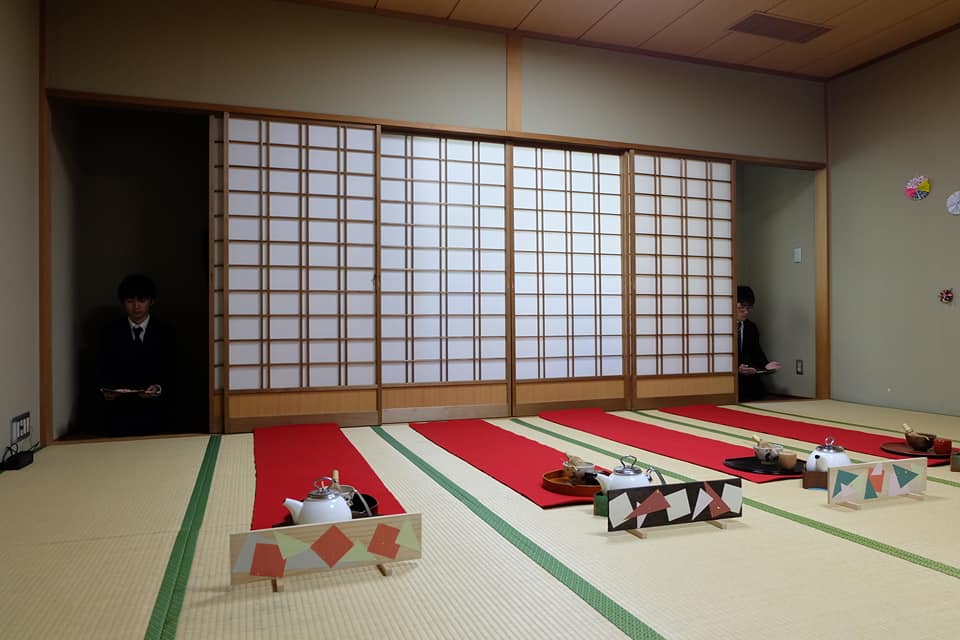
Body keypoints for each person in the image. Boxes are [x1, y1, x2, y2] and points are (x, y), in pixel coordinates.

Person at [97, 274, 175, 435]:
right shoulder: (110, 332)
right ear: (123, 303)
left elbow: (175, 370)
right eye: (130, 301)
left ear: (151, 302)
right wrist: (108, 390)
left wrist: (159, 388)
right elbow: (101, 367)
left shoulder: (166, 332)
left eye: (142, 300)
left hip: (156, 407)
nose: (136, 306)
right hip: (120, 407)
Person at [736, 285, 782, 402]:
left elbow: (756, 351)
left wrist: (766, 365)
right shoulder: (720, 325)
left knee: (756, 391)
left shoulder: (751, 327)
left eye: (749, 308)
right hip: (728, 375)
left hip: (746, 374)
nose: (746, 312)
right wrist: (735, 368)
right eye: (742, 308)